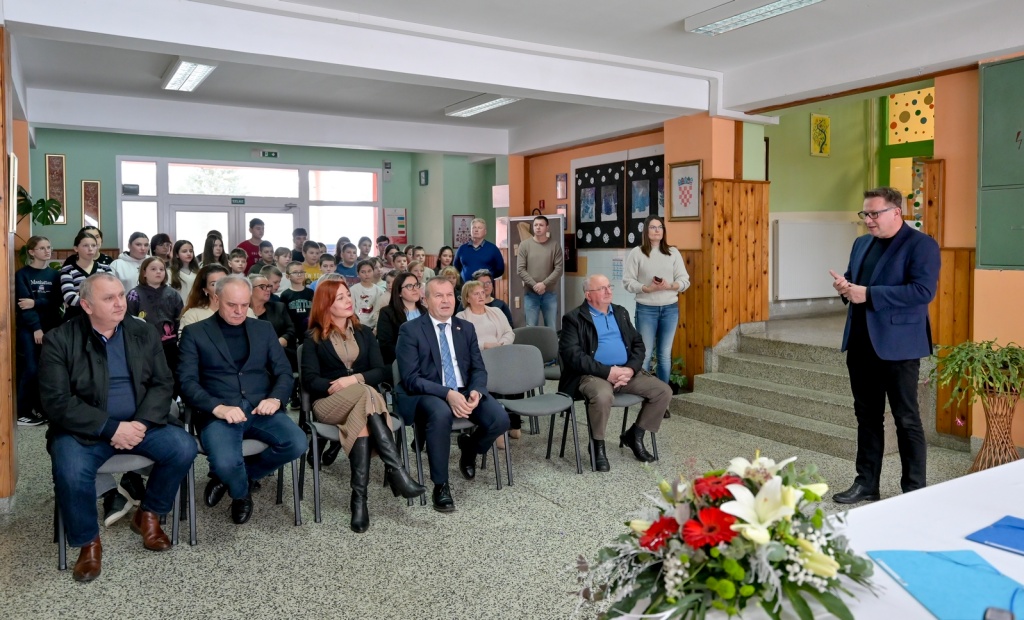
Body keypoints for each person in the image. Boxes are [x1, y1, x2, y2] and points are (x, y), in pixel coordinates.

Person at [40, 273, 197, 583]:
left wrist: (140, 423)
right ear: (86, 305)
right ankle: (88, 543)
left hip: (141, 424)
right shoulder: (60, 339)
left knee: (184, 447)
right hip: (83, 431)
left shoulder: (143, 332)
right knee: (71, 471)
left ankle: (148, 514)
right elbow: (56, 401)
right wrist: (111, 428)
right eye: (108, 298)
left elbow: (163, 383)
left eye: (121, 296)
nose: (119, 303)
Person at [829, 187, 940, 505]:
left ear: (896, 212)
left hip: (899, 346)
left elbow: (922, 291)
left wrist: (869, 294)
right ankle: (866, 484)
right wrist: (845, 287)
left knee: (907, 418)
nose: (868, 220)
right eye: (865, 213)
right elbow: (854, 280)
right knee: (866, 417)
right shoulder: (861, 244)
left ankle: (914, 489)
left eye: (874, 213)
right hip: (861, 343)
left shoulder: (921, 245)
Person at [178, 275, 306, 525]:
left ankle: (239, 477)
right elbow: (186, 382)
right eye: (231, 305)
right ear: (216, 299)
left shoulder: (263, 329)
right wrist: (217, 407)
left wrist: (276, 399)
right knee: (226, 463)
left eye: (244, 305)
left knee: (297, 443)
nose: (239, 311)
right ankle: (240, 493)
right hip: (220, 413)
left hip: (261, 409)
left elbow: (283, 372)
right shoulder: (195, 333)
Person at [301, 279, 426, 532]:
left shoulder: (364, 333)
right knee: (366, 392)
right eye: (340, 298)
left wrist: (354, 379)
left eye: (348, 295)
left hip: (362, 405)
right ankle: (396, 470)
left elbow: (382, 371)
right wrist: (344, 385)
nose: (349, 300)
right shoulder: (312, 338)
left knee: (364, 405)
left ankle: (359, 500)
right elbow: (310, 380)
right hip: (328, 403)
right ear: (326, 304)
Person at [396, 277, 510, 513]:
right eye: (439, 296)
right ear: (425, 300)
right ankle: (441, 485)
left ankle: (470, 449)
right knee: (440, 415)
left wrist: (476, 391)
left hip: (464, 389)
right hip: (427, 392)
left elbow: (478, 368)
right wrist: (447, 393)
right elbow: (411, 378)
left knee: (500, 419)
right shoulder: (410, 330)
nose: (446, 300)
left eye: (449, 295)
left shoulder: (465, 328)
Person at [558, 274, 671, 472]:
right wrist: (608, 372)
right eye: (602, 288)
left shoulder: (620, 312)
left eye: (609, 286)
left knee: (663, 391)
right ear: (588, 295)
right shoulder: (574, 318)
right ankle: (597, 445)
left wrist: (630, 369)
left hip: (625, 372)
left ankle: (635, 435)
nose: (608, 291)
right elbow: (572, 356)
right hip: (593, 375)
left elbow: (638, 344)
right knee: (603, 396)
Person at [622, 215, 689, 391]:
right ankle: (642, 394)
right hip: (646, 310)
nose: (657, 230)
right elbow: (627, 282)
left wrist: (670, 286)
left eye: (660, 227)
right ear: (646, 230)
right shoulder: (637, 253)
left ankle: (662, 397)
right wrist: (647, 288)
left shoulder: (673, 253)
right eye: (653, 227)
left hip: (670, 309)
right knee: (644, 355)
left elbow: (685, 281)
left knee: (664, 355)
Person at [15, 236, 62, 426]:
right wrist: (36, 328)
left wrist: (35, 302)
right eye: (42, 248)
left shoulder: (55, 275)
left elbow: (57, 302)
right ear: (32, 252)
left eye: (49, 247)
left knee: (47, 369)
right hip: (30, 329)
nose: (47, 251)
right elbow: (23, 305)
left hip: (51, 327)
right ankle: (22, 412)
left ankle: (41, 408)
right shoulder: (22, 274)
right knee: (31, 368)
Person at [127, 257, 184, 386]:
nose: (158, 272)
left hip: (169, 346)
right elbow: (129, 321)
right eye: (153, 269)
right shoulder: (134, 294)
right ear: (144, 272)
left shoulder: (173, 294)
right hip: (144, 346)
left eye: (161, 269)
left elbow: (179, 319)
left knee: (170, 377)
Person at [179, 264, 255, 337]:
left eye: (224, 282)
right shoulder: (193, 315)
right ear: (205, 289)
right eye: (213, 284)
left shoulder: (248, 312)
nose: (219, 287)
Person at [516, 215, 564, 327]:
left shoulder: (555, 245)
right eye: (535, 225)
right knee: (531, 327)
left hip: (549, 294)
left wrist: (544, 284)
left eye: (541, 225)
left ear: (547, 227)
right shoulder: (524, 245)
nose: (538, 227)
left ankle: (550, 341)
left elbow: (559, 269)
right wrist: (535, 285)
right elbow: (520, 270)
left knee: (551, 327)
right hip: (530, 294)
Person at [61, 230, 113, 323]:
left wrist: (81, 294)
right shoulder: (67, 270)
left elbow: (111, 294)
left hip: (101, 318)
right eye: (85, 245)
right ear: (76, 248)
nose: (90, 249)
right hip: (76, 318)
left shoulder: (105, 269)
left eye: (93, 245)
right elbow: (70, 298)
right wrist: (100, 297)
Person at [375, 272, 425, 368]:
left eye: (416, 285)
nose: (415, 289)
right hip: (401, 362)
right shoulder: (387, 313)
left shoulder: (425, 311)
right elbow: (386, 345)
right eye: (409, 286)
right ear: (399, 292)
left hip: (426, 362)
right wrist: (411, 356)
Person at [249, 273, 295, 367]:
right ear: (250, 289)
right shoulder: (242, 312)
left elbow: (291, 330)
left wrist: (283, 339)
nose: (268, 289)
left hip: (279, 353)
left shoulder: (279, 307)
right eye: (262, 287)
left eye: (269, 286)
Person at [453, 218, 505, 284]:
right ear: (471, 230)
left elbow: (500, 269)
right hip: (466, 286)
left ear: (485, 231)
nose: (476, 230)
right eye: (474, 228)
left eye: (479, 228)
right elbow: (456, 268)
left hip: (485, 286)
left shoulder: (493, 249)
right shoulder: (462, 249)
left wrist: (488, 278)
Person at [281, 261, 315, 345]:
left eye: (301, 272)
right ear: (288, 276)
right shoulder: (285, 295)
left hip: (310, 330)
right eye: (295, 272)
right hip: (294, 331)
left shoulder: (311, 292)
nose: (299, 274)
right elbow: (284, 316)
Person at [351, 259, 388, 329]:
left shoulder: (379, 291)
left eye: (369, 271)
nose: (367, 274)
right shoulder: (353, 290)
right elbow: (351, 310)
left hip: (374, 326)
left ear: (373, 271)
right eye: (363, 272)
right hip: (357, 325)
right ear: (358, 273)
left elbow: (380, 311)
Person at [169, 240, 199, 304]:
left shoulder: (198, 271)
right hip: (179, 307)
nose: (189, 254)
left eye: (191, 251)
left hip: (196, 307)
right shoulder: (170, 272)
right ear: (177, 255)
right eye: (184, 251)